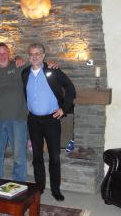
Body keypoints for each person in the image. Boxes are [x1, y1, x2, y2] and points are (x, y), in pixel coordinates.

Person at [21, 43, 76, 201]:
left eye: (38, 53)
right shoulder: (25, 73)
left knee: (54, 157)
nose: (35, 56)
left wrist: (64, 109)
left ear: (44, 55)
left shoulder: (53, 70)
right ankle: (39, 187)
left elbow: (70, 88)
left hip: (51, 120)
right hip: (33, 120)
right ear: (28, 56)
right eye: (32, 54)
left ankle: (55, 189)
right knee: (37, 156)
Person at [0, 43, 28, 181]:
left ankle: (19, 185)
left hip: (18, 120)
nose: (2, 55)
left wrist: (19, 58)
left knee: (19, 156)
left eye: (4, 52)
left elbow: (35, 65)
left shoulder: (18, 66)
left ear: (9, 53)